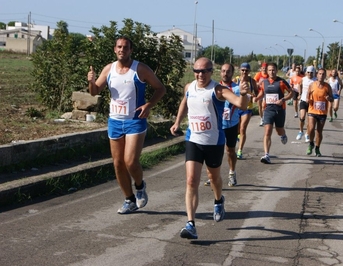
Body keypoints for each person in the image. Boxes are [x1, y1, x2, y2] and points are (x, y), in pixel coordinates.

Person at [170, 57, 249, 239]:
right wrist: (177, 122)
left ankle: (218, 200)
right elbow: (185, 102)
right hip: (193, 139)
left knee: (214, 178)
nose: (200, 75)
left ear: (211, 72)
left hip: (214, 141)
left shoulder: (218, 90)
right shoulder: (189, 87)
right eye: (197, 71)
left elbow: (241, 104)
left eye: (204, 71)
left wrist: (244, 94)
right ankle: (190, 224)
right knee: (191, 180)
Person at [87, 36, 166, 214]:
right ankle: (129, 199)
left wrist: (149, 105)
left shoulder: (140, 69)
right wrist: (91, 82)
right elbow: (94, 92)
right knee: (117, 164)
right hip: (115, 121)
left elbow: (160, 88)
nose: (122, 50)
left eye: (126, 47)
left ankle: (139, 186)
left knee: (130, 161)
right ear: (115, 49)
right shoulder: (109, 69)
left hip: (135, 121)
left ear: (131, 50)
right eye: (119, 47)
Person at [204, 63, 240, 187]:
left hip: (231, 124)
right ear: (220, 73)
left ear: (232, 73)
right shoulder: (214, 87)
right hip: (216, 125)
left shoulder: (236, 89)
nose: (225, 73)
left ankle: (232, 173)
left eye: (228, 71)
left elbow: (241, 104)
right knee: (212, 151)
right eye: (223, 71)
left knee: (230, 151)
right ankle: (213, 176)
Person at [255, 62, 293, 164]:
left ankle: (283, 135)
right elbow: (262, 93)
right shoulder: (264, 82)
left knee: (279, 130)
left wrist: (283, 100)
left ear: (276, 70)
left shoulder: (281, 82)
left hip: (279, 110)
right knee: (267, 131)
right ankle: (266, 155)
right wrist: (256, 98)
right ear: (267, 71)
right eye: (269, 70)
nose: (271, 72)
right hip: (268, 110)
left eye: (273, 70)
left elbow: (291, 92)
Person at [306, 68, 334, 157]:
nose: (321, 75)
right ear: (317, 75)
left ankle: (317, 148)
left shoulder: (327, 86)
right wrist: (308, 100)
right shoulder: (312, 85)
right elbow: (307, 96)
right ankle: (311, 143)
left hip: (322, 112)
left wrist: (329, 99)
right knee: (311, 129)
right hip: (312, 110)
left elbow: (332, 98)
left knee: (319, 131)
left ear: (325, 76)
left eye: (323, 74)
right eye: (320, 74)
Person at [236, 62, 258, 159]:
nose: (244, 72)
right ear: (240, 70)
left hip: (247, 108)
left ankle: (240, 150)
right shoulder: (236, 80)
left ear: (249, 71)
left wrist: (253, 96)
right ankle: (238, 135)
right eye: (243, 70)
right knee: (237, 130)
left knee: (243, 128)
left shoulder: (252, 82)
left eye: (246, 70)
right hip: (236, 107)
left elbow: (257, 93)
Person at [296, 66, 316, 141]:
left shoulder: (315, 80)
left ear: (313, 73)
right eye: (308, 72)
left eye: (311, 72)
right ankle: (300, 131)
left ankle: (307, 134)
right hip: (303, 100)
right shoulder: (303, 79)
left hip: (311, 102)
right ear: (306, 72)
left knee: (309, 120)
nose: (309, 74)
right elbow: (299, 85)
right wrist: (299, 94)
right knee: (302, 117)